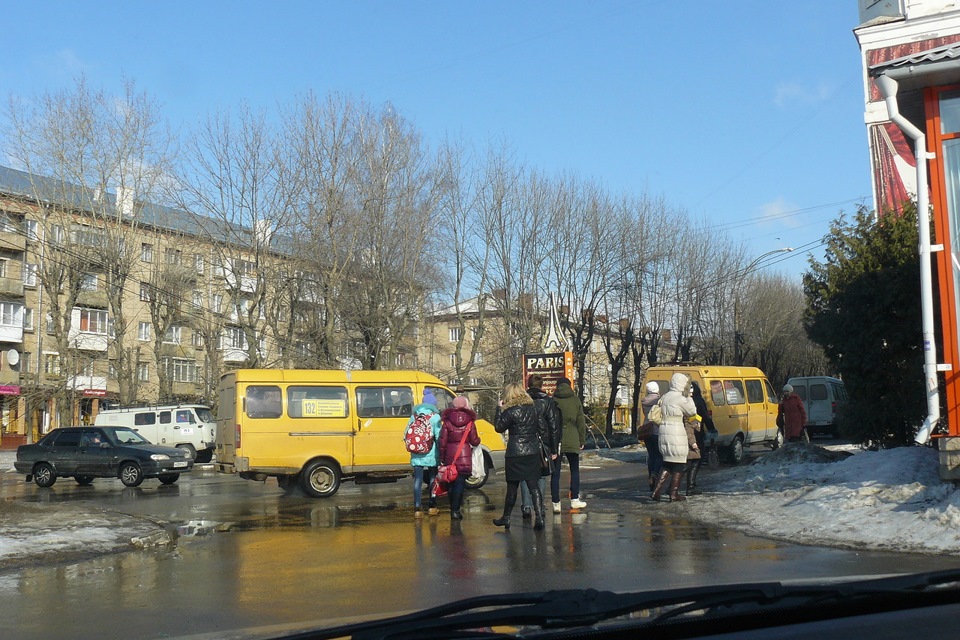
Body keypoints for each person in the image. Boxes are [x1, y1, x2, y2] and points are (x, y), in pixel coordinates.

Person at [493, 381, 554, 531]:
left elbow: (498, 427)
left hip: (515, 453)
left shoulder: (510, 411)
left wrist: (498, 409)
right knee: (534, 486)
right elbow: (543, 430)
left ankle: (506, 518)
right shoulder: (534, 408)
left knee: (512, 487)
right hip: (532, 451)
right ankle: (539, 517)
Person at [652, 372, 698, 502]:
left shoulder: (665, 396)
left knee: (667, 462)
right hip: (676, 431)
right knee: (680, 464)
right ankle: (674, 494)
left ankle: (656, 491)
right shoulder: (680, 398)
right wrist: (689, 397)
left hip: (664, 431)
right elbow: (692, 412)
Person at [520, 374, 559, 519]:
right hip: (543, 442)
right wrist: (554, 449)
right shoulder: (547, 401)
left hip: (525, 441)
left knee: (525, 475)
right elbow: (553, 425)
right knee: (542, 475)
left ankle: (527, 506)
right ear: (541, 385)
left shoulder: (522, 400)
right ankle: (540, 506)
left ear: (528, 385)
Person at [439, 395, 481, 520]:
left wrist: (442, 457)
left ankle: (453, 508)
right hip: (464, 457)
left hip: (450, 457)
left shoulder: (447, 422)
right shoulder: (470, 421)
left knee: (451, 482)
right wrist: (478, 440)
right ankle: (456, 511)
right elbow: (474, 441)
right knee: (460, 484)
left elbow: (442, 442)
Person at [550, 377, 587, 512]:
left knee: (556, 472)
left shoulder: (553, 401)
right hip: (572, 438)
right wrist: (582, 440)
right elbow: (581, 422)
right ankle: (574, 499)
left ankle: (556, 503)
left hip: (557, 440)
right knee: (574, 470)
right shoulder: (575, 400)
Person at [406, 390, 442, 518]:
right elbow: (439, 436)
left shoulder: (414, 416)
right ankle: (432, 506)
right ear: (433, 404)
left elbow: (406, 434)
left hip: (416, 454)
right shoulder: (435, 417)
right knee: (433, 479)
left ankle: (417, 508)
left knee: (418, 480)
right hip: (431, 454)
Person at [685, 381, 714, 495]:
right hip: (697, 431)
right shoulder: (698, 400)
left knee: (685, 459)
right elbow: (705, 416)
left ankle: (675, 485)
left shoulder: (684, 400)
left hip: (684, 431)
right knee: (697, 458)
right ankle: (691, 485)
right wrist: (711, 428)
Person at [640, 381, 663, 492]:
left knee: (651, 455)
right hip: (657, 430)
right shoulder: (659, 400)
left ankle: (651, 478)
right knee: (659, 455)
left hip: (647, 430)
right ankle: (655, 475)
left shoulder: (644, 401)